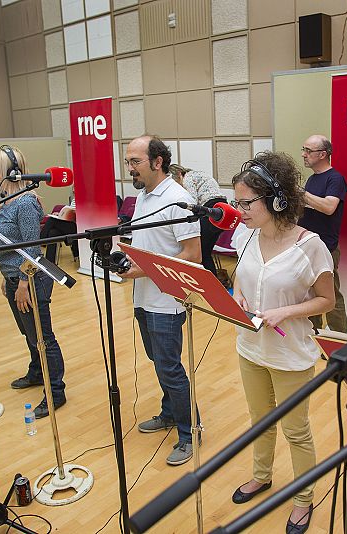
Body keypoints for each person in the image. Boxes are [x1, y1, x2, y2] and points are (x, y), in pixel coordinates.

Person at [230, 151, 335, 534]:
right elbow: (241, 275)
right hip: (250, 346)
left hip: (290, 353)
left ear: (276, 200)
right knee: (260, 420)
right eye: (236, 202)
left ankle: (303, 499)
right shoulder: (245, 234)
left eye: (246, 203)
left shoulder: (311, 245)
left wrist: (286, 312)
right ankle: (262, 476)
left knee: (296, 430)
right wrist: (238, 293)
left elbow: (327, 300)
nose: (238, 210)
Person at [120, 135, 202, 467]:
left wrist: (140, 270)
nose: (129, 169)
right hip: (144, 297)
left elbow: (192, 255)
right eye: (127, 162)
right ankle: (170, 413)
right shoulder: (143, 196)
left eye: (135, 162)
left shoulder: (179, 199)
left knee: (170, 366)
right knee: (158, 362)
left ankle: (190, 432)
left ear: (157, 162)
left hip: (167, 301)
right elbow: (150, 245)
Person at [0, 146, 66, 419]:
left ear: (11, 172)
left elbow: (33, 248)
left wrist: (21, 283)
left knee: (43, 338)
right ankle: (36, 372)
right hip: (12, 277)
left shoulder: (26, 203)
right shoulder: (3, 201)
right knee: (28, 332)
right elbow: (8, 244)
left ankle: (56, 392)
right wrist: (6, 277)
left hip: (32, 280)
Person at [298, 135, 347, 333]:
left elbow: (329, 207)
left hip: (326, 247)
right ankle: (313, 338)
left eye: (308, 151)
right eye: (304, 149)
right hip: (307, 245)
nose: (304, 154)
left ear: (323, 154)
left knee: (331, 296)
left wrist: (301, 193)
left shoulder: (335, 178)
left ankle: (339, 345)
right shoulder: (312, 179)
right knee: (310, 296)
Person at [169, 163, 227, 276]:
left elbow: (191, 202)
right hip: (221, 209)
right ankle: (212, 286)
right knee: (205, 251)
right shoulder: (197, 175)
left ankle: (212, 287)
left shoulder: (188, 178)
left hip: (211, 208)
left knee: (202, 253)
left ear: (180, 175)